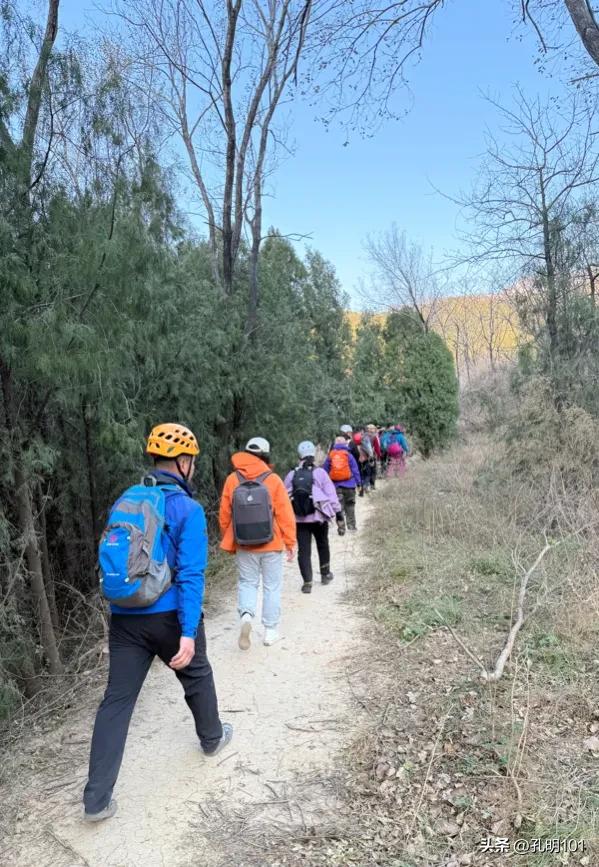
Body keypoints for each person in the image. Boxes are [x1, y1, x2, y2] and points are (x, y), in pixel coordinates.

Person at [83, 423, 231, 823]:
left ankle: (96, 799)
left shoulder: (126, 499)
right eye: (193, 462)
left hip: (125, 619)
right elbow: (191, 575)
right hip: (167, 616)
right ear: (184, 462)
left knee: (116, 702)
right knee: (197, 673)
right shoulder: (187, 508)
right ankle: (212, 738)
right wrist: (187, 632)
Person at [219, 436, 297, 650]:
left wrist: (230, 539)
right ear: (265, 455)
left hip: (244, 543)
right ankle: (270, 631)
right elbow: (285, 514)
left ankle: (246, 615)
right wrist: (290, 542)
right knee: (272, 587)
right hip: (271, 543)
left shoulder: (232, 479)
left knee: (247, 582)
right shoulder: (272, 480)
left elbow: (225, 515)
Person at [285, 441, 343, 594]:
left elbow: (284, 497)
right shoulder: (320, 473)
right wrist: (338, 513)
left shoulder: (292, 474)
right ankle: (325, 574)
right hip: (318, 516)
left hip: (299, 518)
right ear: (314, 454)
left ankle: (307, 582)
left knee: (303, 550)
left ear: (299, 455)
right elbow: (331, 495)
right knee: (322, 543)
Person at [324, 435, 362, 532]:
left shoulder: (331, 455)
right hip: (349, 485)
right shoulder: (348, 455)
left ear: (335, 444)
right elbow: (355, 470)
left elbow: (324, 471)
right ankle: (352, 527)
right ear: (345, 443)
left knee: (338, 507)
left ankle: (341, 527)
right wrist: (359, 484)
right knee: (350, 505)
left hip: (336, 486)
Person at [366, 424, 382, 490]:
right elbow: (377, 448)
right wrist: (378, 455)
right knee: (373, 471)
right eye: (373, 428)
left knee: (366, 471)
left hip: (364, 456)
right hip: (372, 456)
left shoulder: (364, 436)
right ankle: (372, 485)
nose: (374, 429)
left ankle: (366, 485)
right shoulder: (374, 437)